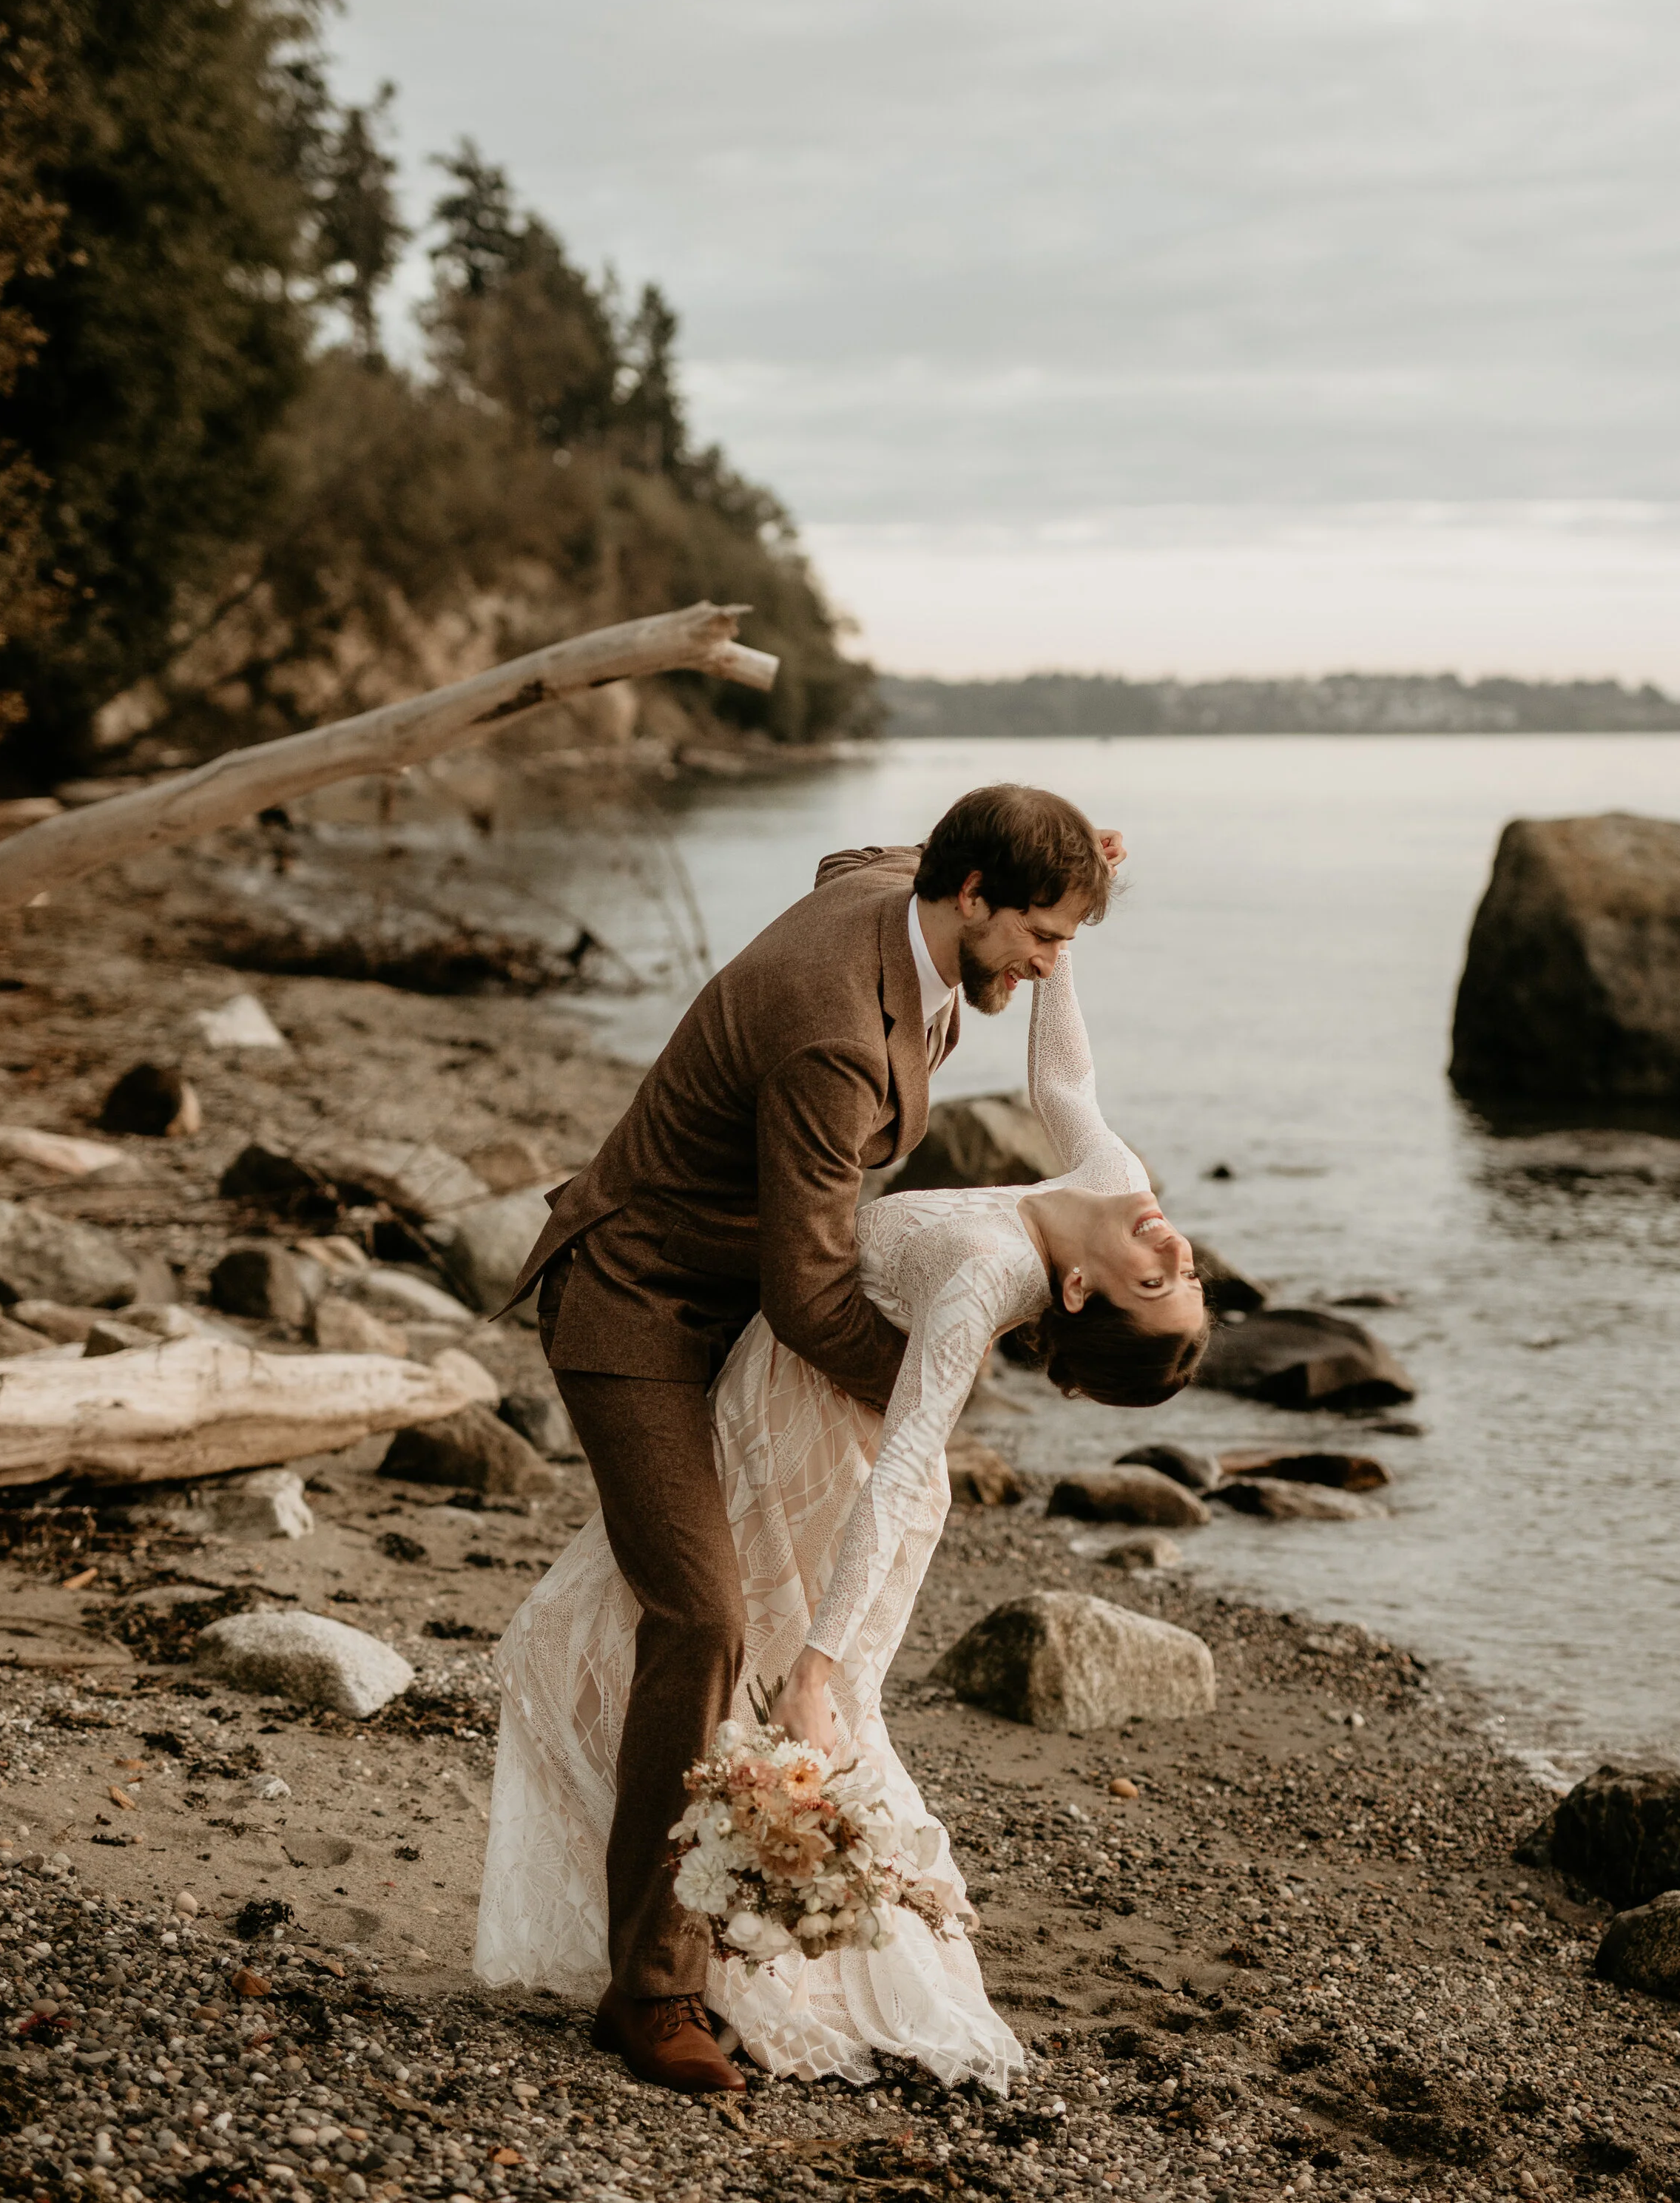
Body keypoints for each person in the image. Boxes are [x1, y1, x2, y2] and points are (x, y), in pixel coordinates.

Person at [475, 786, 1207, 2094]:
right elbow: (815, 1295)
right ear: (968, 894)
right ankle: (651, 1994)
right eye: (1039, 936)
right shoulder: (834, 1037)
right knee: (704, 1620)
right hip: (642, 1302)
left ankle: (677, 1909)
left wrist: (1069, 881)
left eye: (1060, 945)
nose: (1048, 963)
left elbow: (846, 857)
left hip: (739, 1311)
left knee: (732, 1623)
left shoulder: (898, 892)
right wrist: (929, 1379)